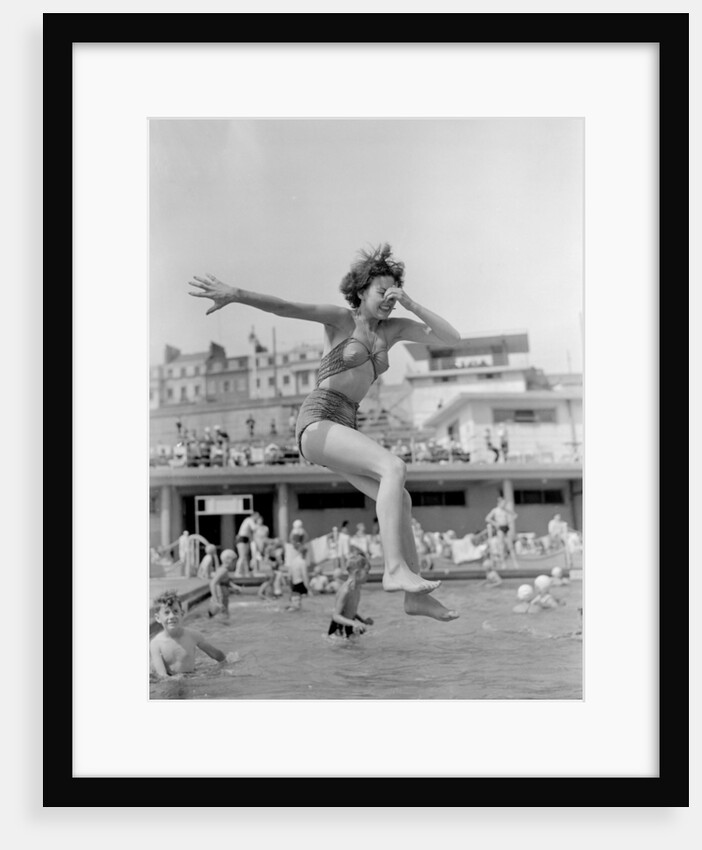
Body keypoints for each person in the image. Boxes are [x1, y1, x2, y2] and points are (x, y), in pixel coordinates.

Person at [189, 243, 461, 621]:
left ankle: (414, 595)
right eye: (382, 292)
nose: (389, 300)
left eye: (394, 294)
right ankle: (395, 570)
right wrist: (236, 294)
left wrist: (412, 304)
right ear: (361, 290)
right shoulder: (340, 321)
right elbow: (284, 306)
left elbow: (452, 339)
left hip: (344, 423)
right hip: (317, 420)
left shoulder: (394, 330)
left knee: (403, 498)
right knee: (393, 467)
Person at [150, 590, 227, 677]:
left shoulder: (193, 636)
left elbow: (217, 655)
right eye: (166, 613)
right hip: (170, 680)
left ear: (182, 614)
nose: (171, 616)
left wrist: (225, 665)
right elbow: (162, 675)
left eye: (175, 611)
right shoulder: (155, 644)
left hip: (191, 676)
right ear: (158, 618)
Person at [328, 552, 374, 638]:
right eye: (367, 572)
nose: (369, 575)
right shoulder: (346, 591)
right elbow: (336, 616)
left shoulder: (357, 588)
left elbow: (350, 610)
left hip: (349, 624)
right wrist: (354, 623)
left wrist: (363, 620)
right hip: (339, 628)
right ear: (357, 573)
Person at [208, 549, 243, 618]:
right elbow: (212, 583)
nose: (235, 564)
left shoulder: (223, 569)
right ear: (229, 560)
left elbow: (226, 581)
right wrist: (216, 600)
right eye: (234, 562)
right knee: (222, 616)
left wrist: (235, 587)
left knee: (224, 615)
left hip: (222, 597)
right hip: (220, 598)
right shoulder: (223, 570)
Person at [485, 496, 518, 567]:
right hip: (500, 528)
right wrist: (495, 523)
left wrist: (509, 521)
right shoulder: (495, 510)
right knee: (501, 546)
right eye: (503, 503)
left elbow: (515, 515)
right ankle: (503, 563)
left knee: (510, 546)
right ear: (499, 503)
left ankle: (515, 563)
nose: (504, 505)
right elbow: (487, 518)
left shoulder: (505, 510)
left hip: (506, 527)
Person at [235, 511, 262, 577]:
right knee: (242, 557)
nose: (257, 519)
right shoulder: (249, 520)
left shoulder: (249, 522)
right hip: (241, 539)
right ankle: (237, 572)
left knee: (245, 557)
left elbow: (251, 536)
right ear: (254, 516)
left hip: (245, 540)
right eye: (257, 517)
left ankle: (246, 572)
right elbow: (254, 528)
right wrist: (259, 523)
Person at [286, 542, 311, 611]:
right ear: (304, 553)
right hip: (301, 585)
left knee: (294, 604)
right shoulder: (302, 562)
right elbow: (305, 576)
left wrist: (291, 588)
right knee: (302, 606)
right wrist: (308, 589)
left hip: (294, 585)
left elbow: (289, 577)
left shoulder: (293, 561)